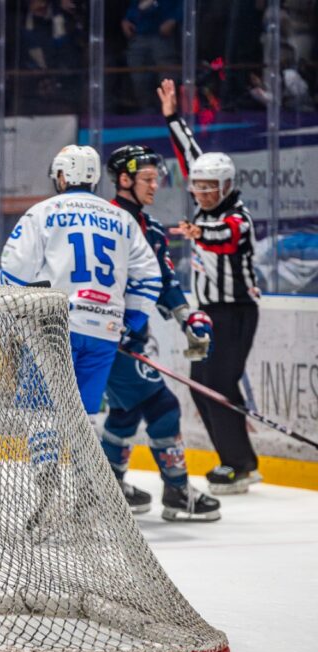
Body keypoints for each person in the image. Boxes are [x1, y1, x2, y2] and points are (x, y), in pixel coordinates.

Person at [0, 145, 162, 417]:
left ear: (62, 176)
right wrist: (130, 323)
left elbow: (16, 274)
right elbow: (149, 278)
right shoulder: (123, 220)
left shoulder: (43, 212)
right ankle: (85, 448)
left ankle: (45, 448)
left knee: (40, 414)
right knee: (85, 420)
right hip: (104, 331)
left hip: (55, 327)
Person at [100, 144, 220, 521]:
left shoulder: (149, 228)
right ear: (124, 179)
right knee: (161, 406)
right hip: (106, 338)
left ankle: (109, 489)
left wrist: (188, 318)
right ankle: (177, 490)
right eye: (147, 179)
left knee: (125, 410)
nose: (155, 186)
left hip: (126, 339)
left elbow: (165, 282)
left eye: (156, 178)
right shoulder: (103, 222)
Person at [160, 78, 262, 495]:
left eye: (209, 188)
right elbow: (191, 155)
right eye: (197, 187)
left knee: (219, 383)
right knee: (201, 383)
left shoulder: (237, 217)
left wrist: (196, 232)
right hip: (207, 314)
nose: (201, 193)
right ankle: (235, 460)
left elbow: (226, 237)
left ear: (226, 187)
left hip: (235, 313)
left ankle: (240, 465)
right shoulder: (206, 203)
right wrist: (172, 117)